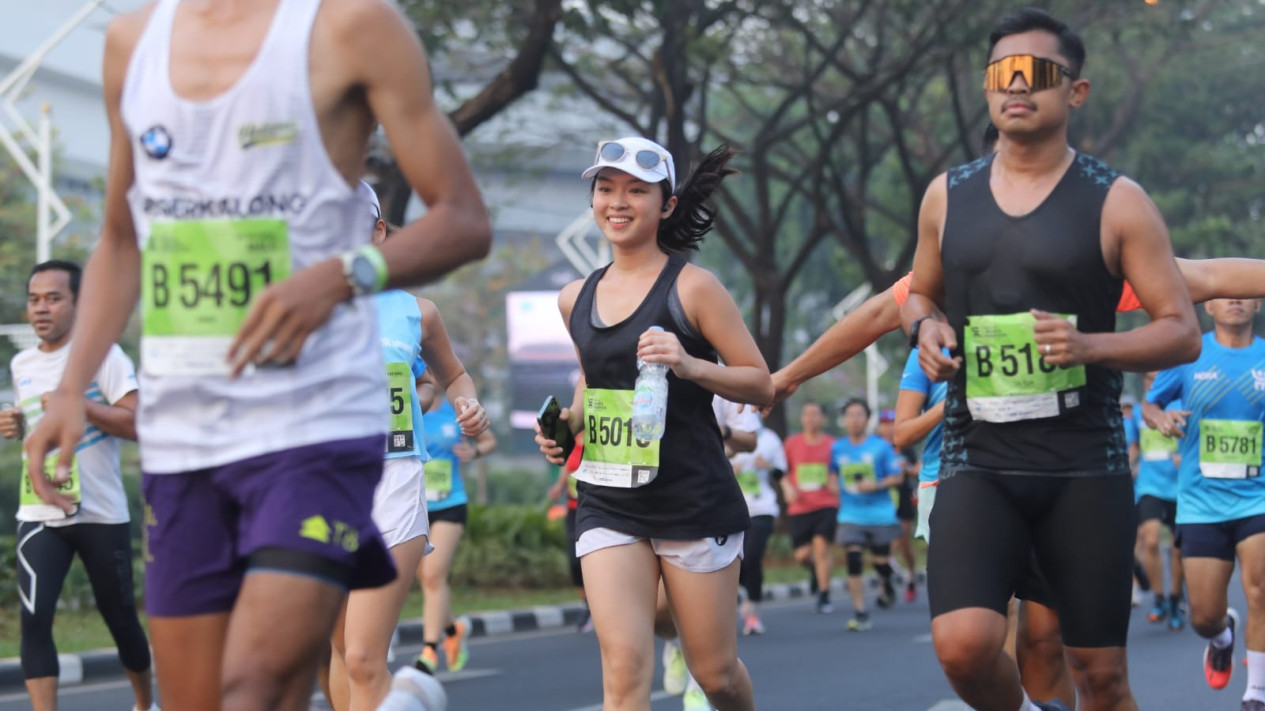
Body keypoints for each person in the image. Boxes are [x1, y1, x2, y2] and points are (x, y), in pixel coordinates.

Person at [21, 1, 491, 708]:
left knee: (256, 686)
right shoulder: (132, 41)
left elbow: (463, 217)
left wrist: (341, 275)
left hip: (315, 426)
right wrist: (67, 391)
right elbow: (120, 241)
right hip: (188, 436)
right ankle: (406, 703)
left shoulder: (350, 26)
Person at [902, 8, 1200, 711]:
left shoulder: (1116, 200)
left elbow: (1181, 331)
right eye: (1001, 73)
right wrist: (924, 327)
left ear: (1075, 92)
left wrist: (1092, 346)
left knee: (1099, 679)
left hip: (1080, 468)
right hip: (979, 457)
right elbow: (918, 291)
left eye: (1037, 74)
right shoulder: (947, 194)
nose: (1016, 87)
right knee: (964, 647)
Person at [535, 136, 772, 711]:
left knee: (714, 675)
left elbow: (760, 382)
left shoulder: (693, 288)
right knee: (623, 668)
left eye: (636, 191)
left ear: (665, 205)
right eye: (606, 188)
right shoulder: (575, 297)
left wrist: (690, 364)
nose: (617, 202)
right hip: (608, 499)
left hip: (692, 499)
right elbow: (596, 382)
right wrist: (566, 426)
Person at [324, 185, 490, 710]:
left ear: (378, 233)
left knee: (364, 655)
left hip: (395, 482)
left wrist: (468, 405)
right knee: (335, 646)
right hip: (322, 485)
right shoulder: (299, 304)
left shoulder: (417, 312)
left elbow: (453, 376)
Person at [0, 261, 156, 711]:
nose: (41, 308)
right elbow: (36, 427)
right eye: (34, 299)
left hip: (100, 512)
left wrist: (81, 406)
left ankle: (146, 704)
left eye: (53, 298)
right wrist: (15, 423)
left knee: (121, 620)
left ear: (78, 303)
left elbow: (137, 421)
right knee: (34, 619)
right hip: (39, 512)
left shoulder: (104, 356)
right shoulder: (22, 363)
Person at [1144, 299, 1265, 710]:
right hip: (1201, 502)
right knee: (1203, 616)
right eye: (1225, 293)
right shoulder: (1189, 355)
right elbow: (1150, 403)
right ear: (1209, 304)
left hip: (1257, 497)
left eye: (1244, 292)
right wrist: (1159, 418)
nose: (1235, 299)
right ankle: (1222, 636)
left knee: (1261, 589)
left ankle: (1256, 694)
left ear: (1257, 300)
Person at [413, 389, 497, 674]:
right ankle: (452, 629)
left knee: (434, 574)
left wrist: (473, 452)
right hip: (416, 505)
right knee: (426, 578)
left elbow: (489, 441)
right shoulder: (407, 405)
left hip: (451, 503)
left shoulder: (455, 409)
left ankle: (428, 651)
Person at [831, 398, 903, 631]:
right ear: (844, 419)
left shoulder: (881, 447)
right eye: (850, 415)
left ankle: (887, 580)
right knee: (853, 559)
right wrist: (833, 487)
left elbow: (897, 477)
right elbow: (832, 473)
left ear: (867, 418)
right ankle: (860, 611)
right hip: (850, 515)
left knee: (880, 562)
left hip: (880, 515)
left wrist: (877, 484)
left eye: (859, 415)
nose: (854, 420)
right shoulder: (838, 447)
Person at [1128, 372, 1185, 629]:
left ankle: (1175, 598)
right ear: (1144, 382)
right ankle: (1159, 598)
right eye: (1149, 380)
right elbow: (1134, 447)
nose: (1154, 384)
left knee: (1177, 548)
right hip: (1150, 486)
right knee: (1150, 540)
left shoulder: (1180, 407)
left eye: (1158, 379)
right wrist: (1129, 465)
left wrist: (1183, 456)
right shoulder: (1140, 412)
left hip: (1179, 487)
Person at [782, 401, 839, 613]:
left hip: (826, 503)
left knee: (822, 547)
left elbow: (840, 470)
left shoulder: (833, 445)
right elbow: (782, 471)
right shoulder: (791, 443)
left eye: (816, 414)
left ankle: (823, 594)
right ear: (802, 418)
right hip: (800, 506)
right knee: (802, 555)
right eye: (807, 414)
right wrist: (787, 487)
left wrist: (835, 483)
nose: (811, 419)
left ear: (823, 419)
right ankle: (817, 571)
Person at [734, 425, 786, 636]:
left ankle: (753, 610)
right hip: (730, 509)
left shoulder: (769, 438)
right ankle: (745, 593)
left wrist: (768, 465)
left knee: (752, 557)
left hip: (762, 508)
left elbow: (781, 471)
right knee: (734, 563)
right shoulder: (720, 430)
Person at [547, 434, 593, 632]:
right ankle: (587, 605)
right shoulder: (572, 440)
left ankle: (601, 605)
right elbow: (568, 467)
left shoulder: (597, 439)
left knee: (593, 559)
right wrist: (559, 486)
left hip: (594, 510)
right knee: (574, 563)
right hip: (573, 511)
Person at [877, 407, 919, 601]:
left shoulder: (905, 447)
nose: (888, 428)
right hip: (882, 499)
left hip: (903, 499)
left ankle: (910, 575)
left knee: (902, 542)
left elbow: (917, 468)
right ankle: (884, 586)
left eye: (891, 424)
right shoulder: (874, 448)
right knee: (882, 544)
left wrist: (908, 469)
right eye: (884, 424)